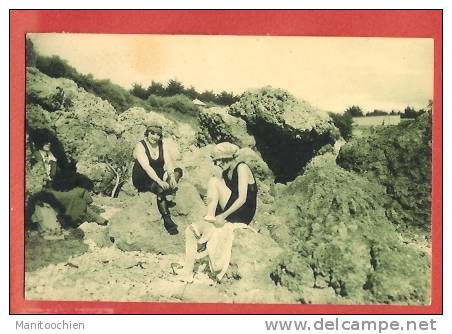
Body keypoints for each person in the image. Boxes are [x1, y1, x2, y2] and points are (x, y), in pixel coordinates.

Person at [181, 142, 258, 282]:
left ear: (228, 158)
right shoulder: (226, 173)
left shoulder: (242, 167)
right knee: (191, 230)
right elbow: (227, 196)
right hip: (232, 209)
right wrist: (212, 201)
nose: (218, 165)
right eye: (217, 162)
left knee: (213, 182)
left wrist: (222, 215)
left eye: (220, 161)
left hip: (244, 211)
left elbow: (242, 198)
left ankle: (209, 220)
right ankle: (187, 273)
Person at [132, 124, 182, 235]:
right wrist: (160, 181)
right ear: (147, 133)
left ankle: (165, 191)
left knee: (178, 171)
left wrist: (172, 177)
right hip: (142, 176)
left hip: (158, 172)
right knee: (160, 188)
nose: (155, 137)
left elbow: (168, 161)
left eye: (158, 134)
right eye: (152, 133)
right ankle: (167, 219)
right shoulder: (140, 145)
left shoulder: (162, 144)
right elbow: (146, 167)